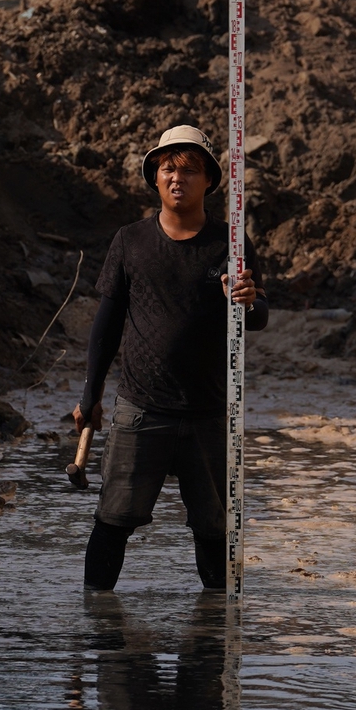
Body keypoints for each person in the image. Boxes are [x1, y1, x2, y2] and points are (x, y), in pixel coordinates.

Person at [72, 125, 268, 592]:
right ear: (154, 179)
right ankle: (97, 627)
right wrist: (90, 394)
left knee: (214, 530)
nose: (177, 178)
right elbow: (106, 324)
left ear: (208, 182)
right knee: (113, 520)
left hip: (209, 412)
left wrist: (245, 299)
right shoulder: (130, 241)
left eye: (188, 170)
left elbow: (259, 316)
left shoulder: (230, 243)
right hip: (141, 410)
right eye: (167, 169)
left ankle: (212, 641)